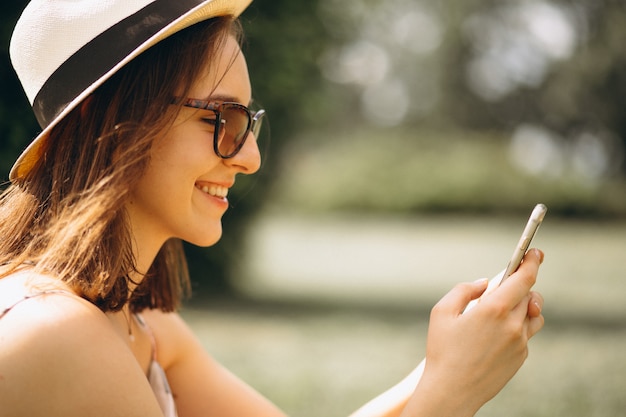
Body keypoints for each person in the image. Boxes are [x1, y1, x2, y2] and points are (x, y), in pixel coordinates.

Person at [0, 1, 545, 416]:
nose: (251, 158)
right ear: (115, 126)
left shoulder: (142, 328)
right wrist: (449, 394)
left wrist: (451, 361)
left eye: (248, 124)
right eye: (223, 121)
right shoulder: (57, 336)